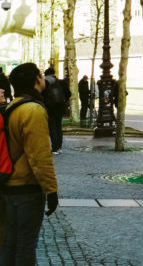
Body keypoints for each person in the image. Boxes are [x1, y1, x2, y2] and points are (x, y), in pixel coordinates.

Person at [2, 62, 60, 263]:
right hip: (27, 188)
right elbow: (40, 156)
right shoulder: (33, 110)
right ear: (37, 80)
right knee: (26, 243)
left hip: (9, 184)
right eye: (41, 75)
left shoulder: (11, 107)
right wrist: (51, 190)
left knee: (10, 241)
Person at [42, 66, 66, 153]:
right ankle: (59, 147)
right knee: (58, 126)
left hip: (50, 107)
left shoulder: (45, 83)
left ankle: (55, 147)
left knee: (52, 127)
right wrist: (64, 100)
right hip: (60, 107)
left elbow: (42, 95)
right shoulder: (61, 82)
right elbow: (69, 93)